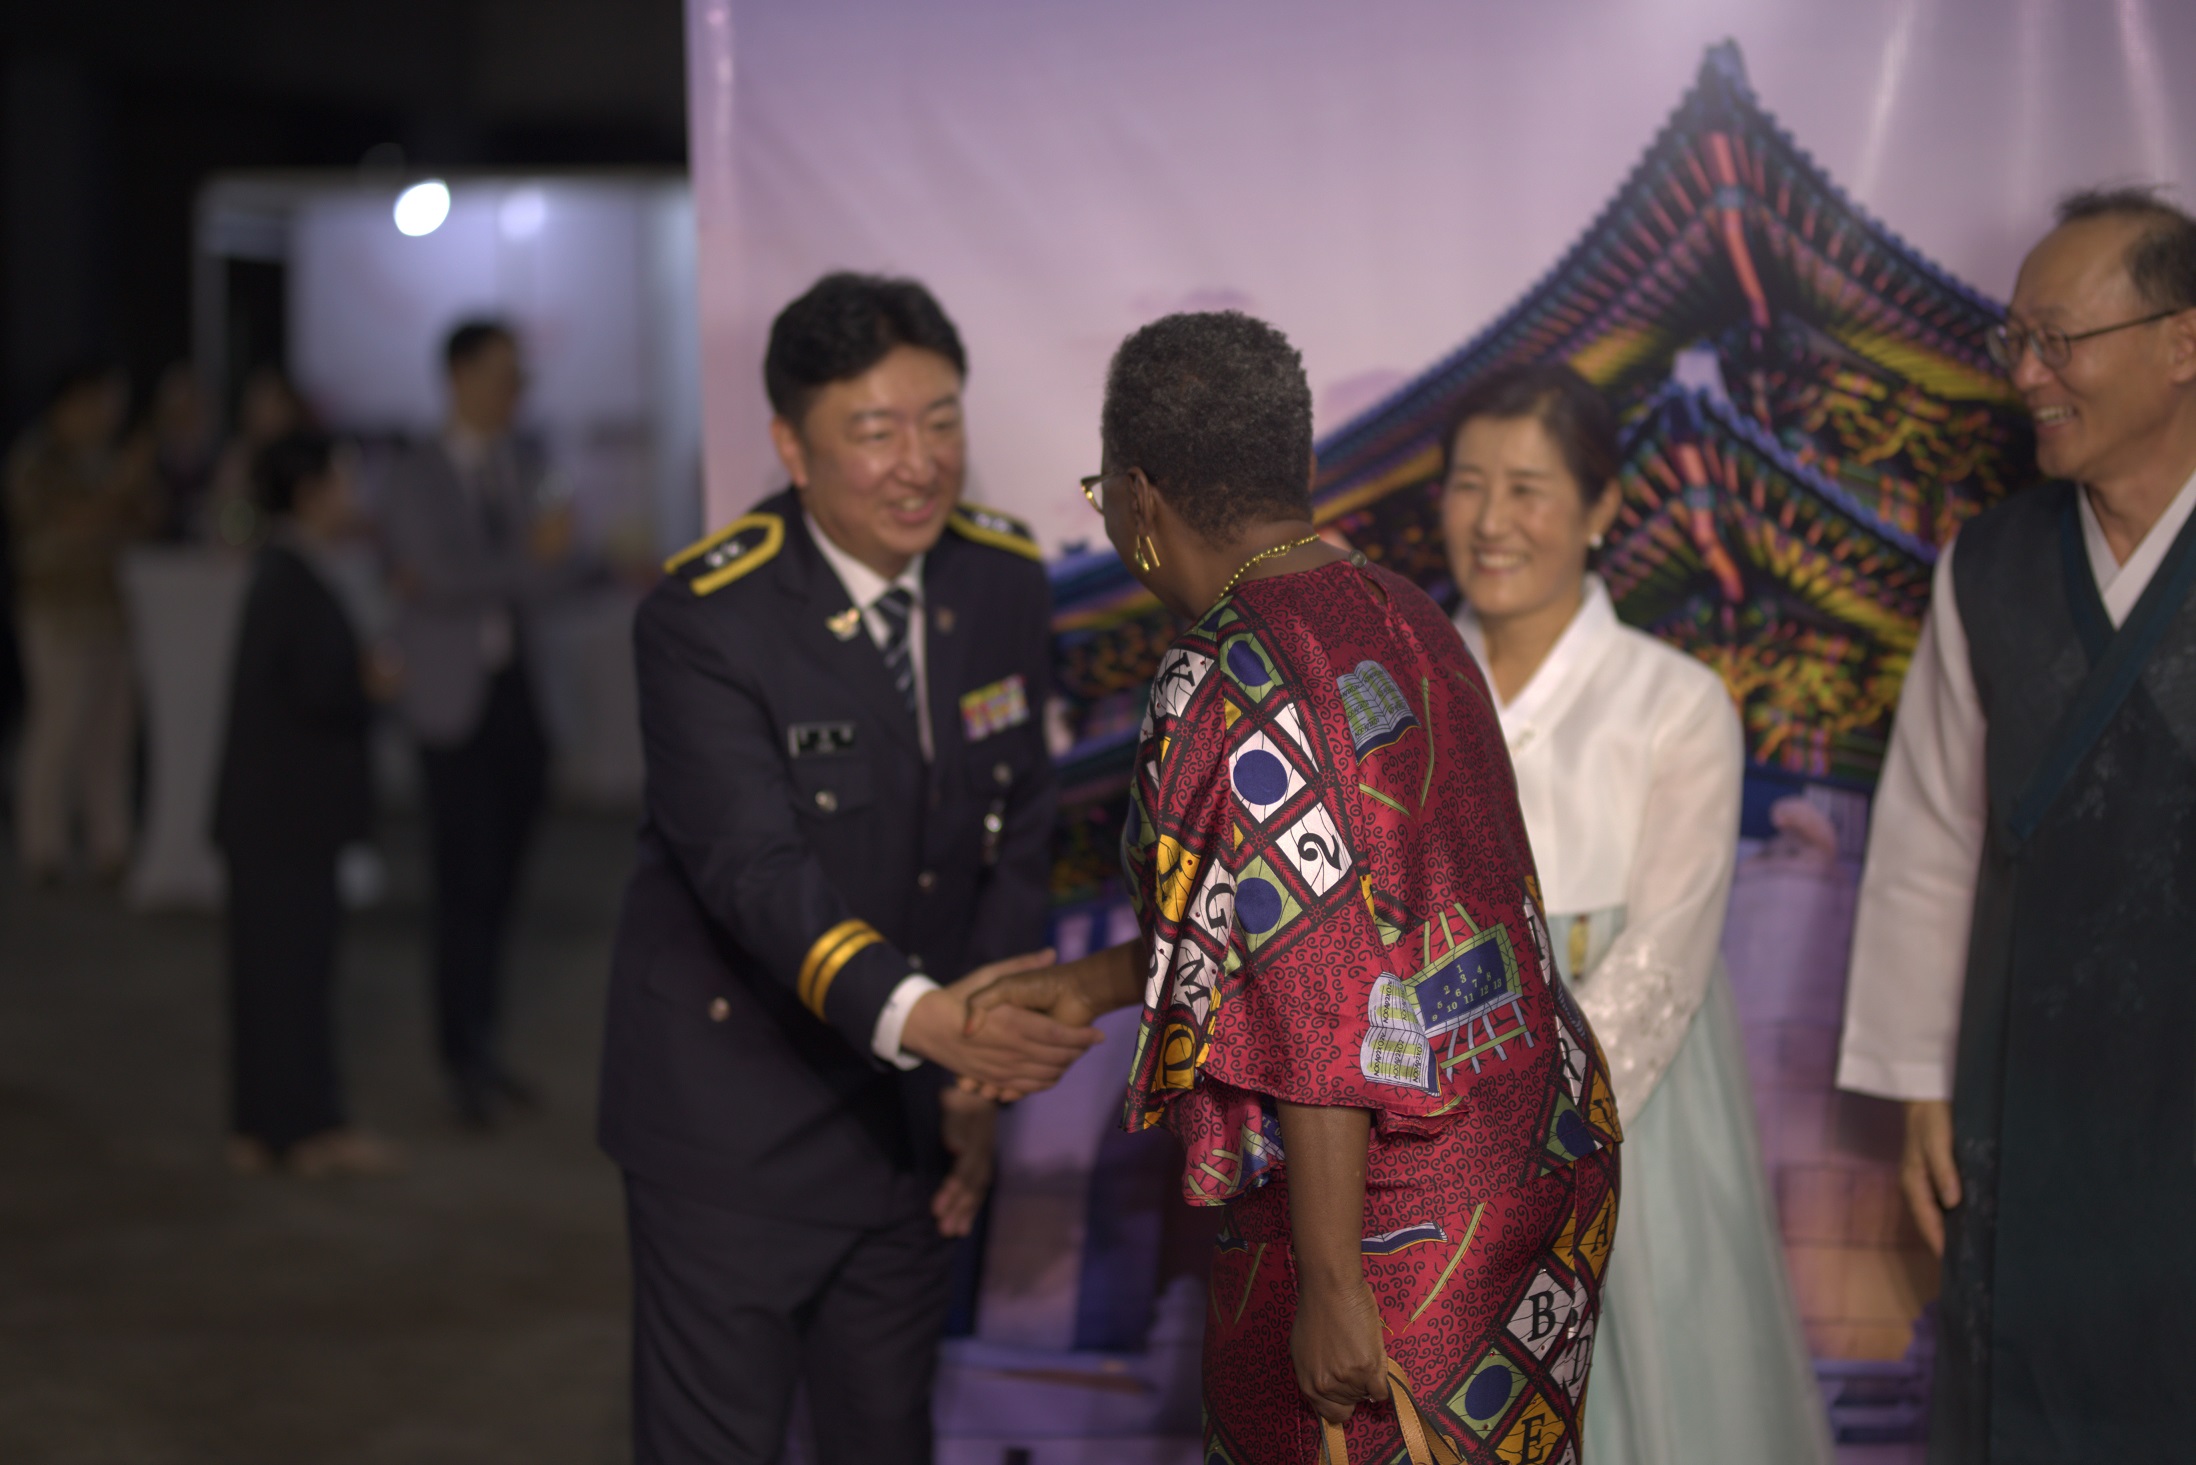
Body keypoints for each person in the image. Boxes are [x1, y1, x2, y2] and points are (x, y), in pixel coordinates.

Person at [971, 312, 1622, 1465]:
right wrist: (1086, 986)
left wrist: (1331, 1282)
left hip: (1388, 1214)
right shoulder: (1409, 614)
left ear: (1140, 500)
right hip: (1537, 1145)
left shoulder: (1220, 668)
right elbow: (1328, 916)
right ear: (1301, 465)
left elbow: (1323, 990)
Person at [598, 273, 1102, 1465]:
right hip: (733, 1130)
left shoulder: (996, 576)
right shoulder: (708, 618)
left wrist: (975, 1072)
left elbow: (1017, 829)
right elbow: (754, 871)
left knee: (884, 1438)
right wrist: (938, 1027)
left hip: (909, 1132)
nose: (918, 464)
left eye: (941, 421)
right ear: (792, 446)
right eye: (875, 432)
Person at [1838, 186, 2196, 1462]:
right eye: (2016, 341)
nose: (2027, 375)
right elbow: (1931, 836)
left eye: (2060, 340)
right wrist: (1923, 1085)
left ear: (2184, 341)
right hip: (2024, 1081)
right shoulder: (1989, 563)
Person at [1442, 364, 1830, 1465]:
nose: (1491, 520)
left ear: (1602, 506)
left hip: (1618, 1115)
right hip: (1416, 1119)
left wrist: (1524, 1137)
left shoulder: (1676, 701)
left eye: (1528, 489)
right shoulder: (1401, 686)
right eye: (1468, 485)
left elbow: (1663, 957)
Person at [380, 319, 590, 1125]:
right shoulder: (416, 472)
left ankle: (487, 1046)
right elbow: (435, 574)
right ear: (459, 376)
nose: (514, 393)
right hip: (451, 701)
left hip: (521, 696)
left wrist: (524, 567)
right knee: (461, 886)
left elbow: (568, 563)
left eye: (519, 378)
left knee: (504, 885)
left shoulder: (528, 463)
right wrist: (530, 563)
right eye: (502, 375)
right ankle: (459, 1054)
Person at [213, 432, 402, 1178]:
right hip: (288, 814)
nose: (353, 496)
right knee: (292, 975)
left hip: (271, 814)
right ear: (310, 491)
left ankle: (264, 1125)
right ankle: (301, 1128)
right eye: (343, 480)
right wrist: (371, 683)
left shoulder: (284, 571)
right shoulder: (290, 576)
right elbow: (317, 691)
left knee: (270, 976)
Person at [6, 363, 158, 883]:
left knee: (111, 733)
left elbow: (143, 522)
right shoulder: (37, 460)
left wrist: (133, 492)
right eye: (100, 402)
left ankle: (109, 841)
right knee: (59, 725)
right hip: (57, 612)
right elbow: (70, 524)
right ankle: (42, 844)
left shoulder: (109, 457)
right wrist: (121, 487)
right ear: (72, 403)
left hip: (113, 611)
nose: (108, 415)